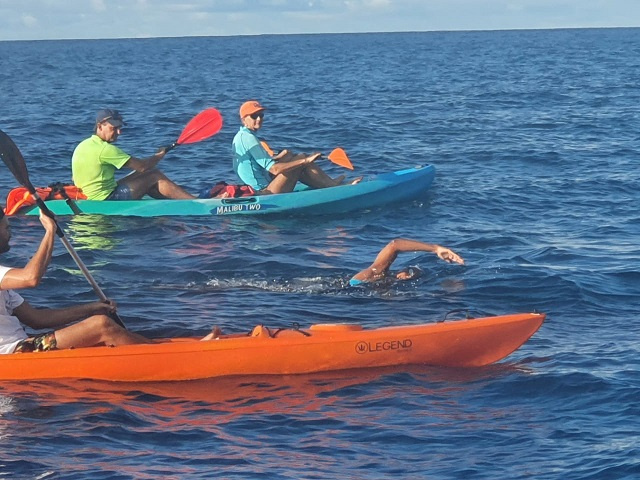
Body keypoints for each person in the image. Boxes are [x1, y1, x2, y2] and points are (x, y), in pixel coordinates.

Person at [0, 208, 217, 354]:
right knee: (101, 326)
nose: (11, 233)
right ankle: (173, 357)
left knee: (99, 320)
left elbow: (38, 319)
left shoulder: (5, 284)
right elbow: (31, 278)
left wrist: (92, 308)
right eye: (7, 228)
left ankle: (163, 350)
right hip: (12, 354)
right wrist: (49, 232)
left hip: (24, 345)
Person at [232, 100, 357, 194]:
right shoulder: (248, 138)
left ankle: (330, 184)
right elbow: (274, 170)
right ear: (243, 120)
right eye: (254, 116)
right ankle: (333, 187)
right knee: (301, 159)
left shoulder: (242, 136)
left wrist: (280, 157)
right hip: (264, 193)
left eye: (261, 115)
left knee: (290, 156)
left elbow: (254, 163)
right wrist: (306, 160)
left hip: (262, 184)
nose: (259, 119)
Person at [72, 109, 196, 200]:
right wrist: (159, 155)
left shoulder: (82, 145)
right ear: (99, 126)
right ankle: (195, 203)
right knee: (153, 175)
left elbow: (74, 178)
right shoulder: (105, 149)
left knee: (144, 173)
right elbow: (142, 166)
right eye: (113, 128)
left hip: (87, 197)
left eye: (119, 127)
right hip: (106, 199)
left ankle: (173, 200)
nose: (119, 132)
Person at [349, 238, 465, 286]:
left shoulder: (383, 277)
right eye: (407, 272)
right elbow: (395, 245)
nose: (403, 274)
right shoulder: (373, 272)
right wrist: (436, 249)